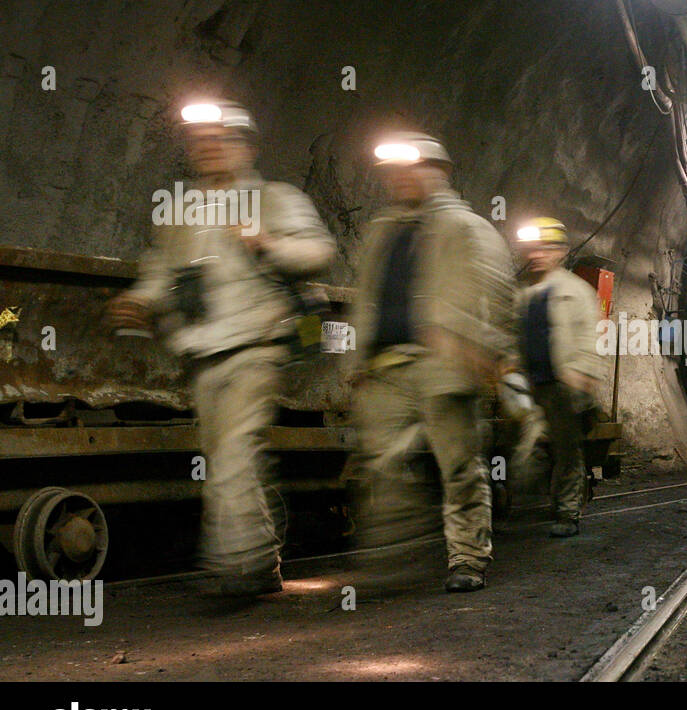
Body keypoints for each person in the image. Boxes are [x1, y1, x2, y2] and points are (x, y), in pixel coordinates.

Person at [106, 100, 336, 596]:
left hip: (259, 344)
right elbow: (160, 271)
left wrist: (269, 243)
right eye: (201, 140)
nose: (209, 148)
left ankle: (235, 567)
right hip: (204, 351)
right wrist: (140, 300)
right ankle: (263, 560)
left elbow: (319, 251)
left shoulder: (275, 198)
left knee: (233, 454)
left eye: (221, 138)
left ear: (246, 147)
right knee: (227, 459)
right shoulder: (180, 208)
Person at [348, 132, 516, 592]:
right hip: (386, 367)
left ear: (438, 172)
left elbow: (500, 298)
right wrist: (359, 358)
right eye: (394, 170)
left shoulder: (468, 228)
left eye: (413, 167)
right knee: (380, 462)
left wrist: (485, 348)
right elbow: (367, 297)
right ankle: (393, 554)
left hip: (444, 363)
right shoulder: (381, 230)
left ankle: (467, 558)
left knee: (459, 466)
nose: (401, 177)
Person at [513, 217, 603, 538]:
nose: (537, 253)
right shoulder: (525, 295)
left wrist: (584, 373)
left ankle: (566, 512)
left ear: (561, 252)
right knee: (530, 448)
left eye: (545, 248)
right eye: (533, 247)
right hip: (534, 388)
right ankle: (529, 500)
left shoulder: (577, 291)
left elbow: (590, 338)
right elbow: (516, 340)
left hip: (566, 387)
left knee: (566, 451)